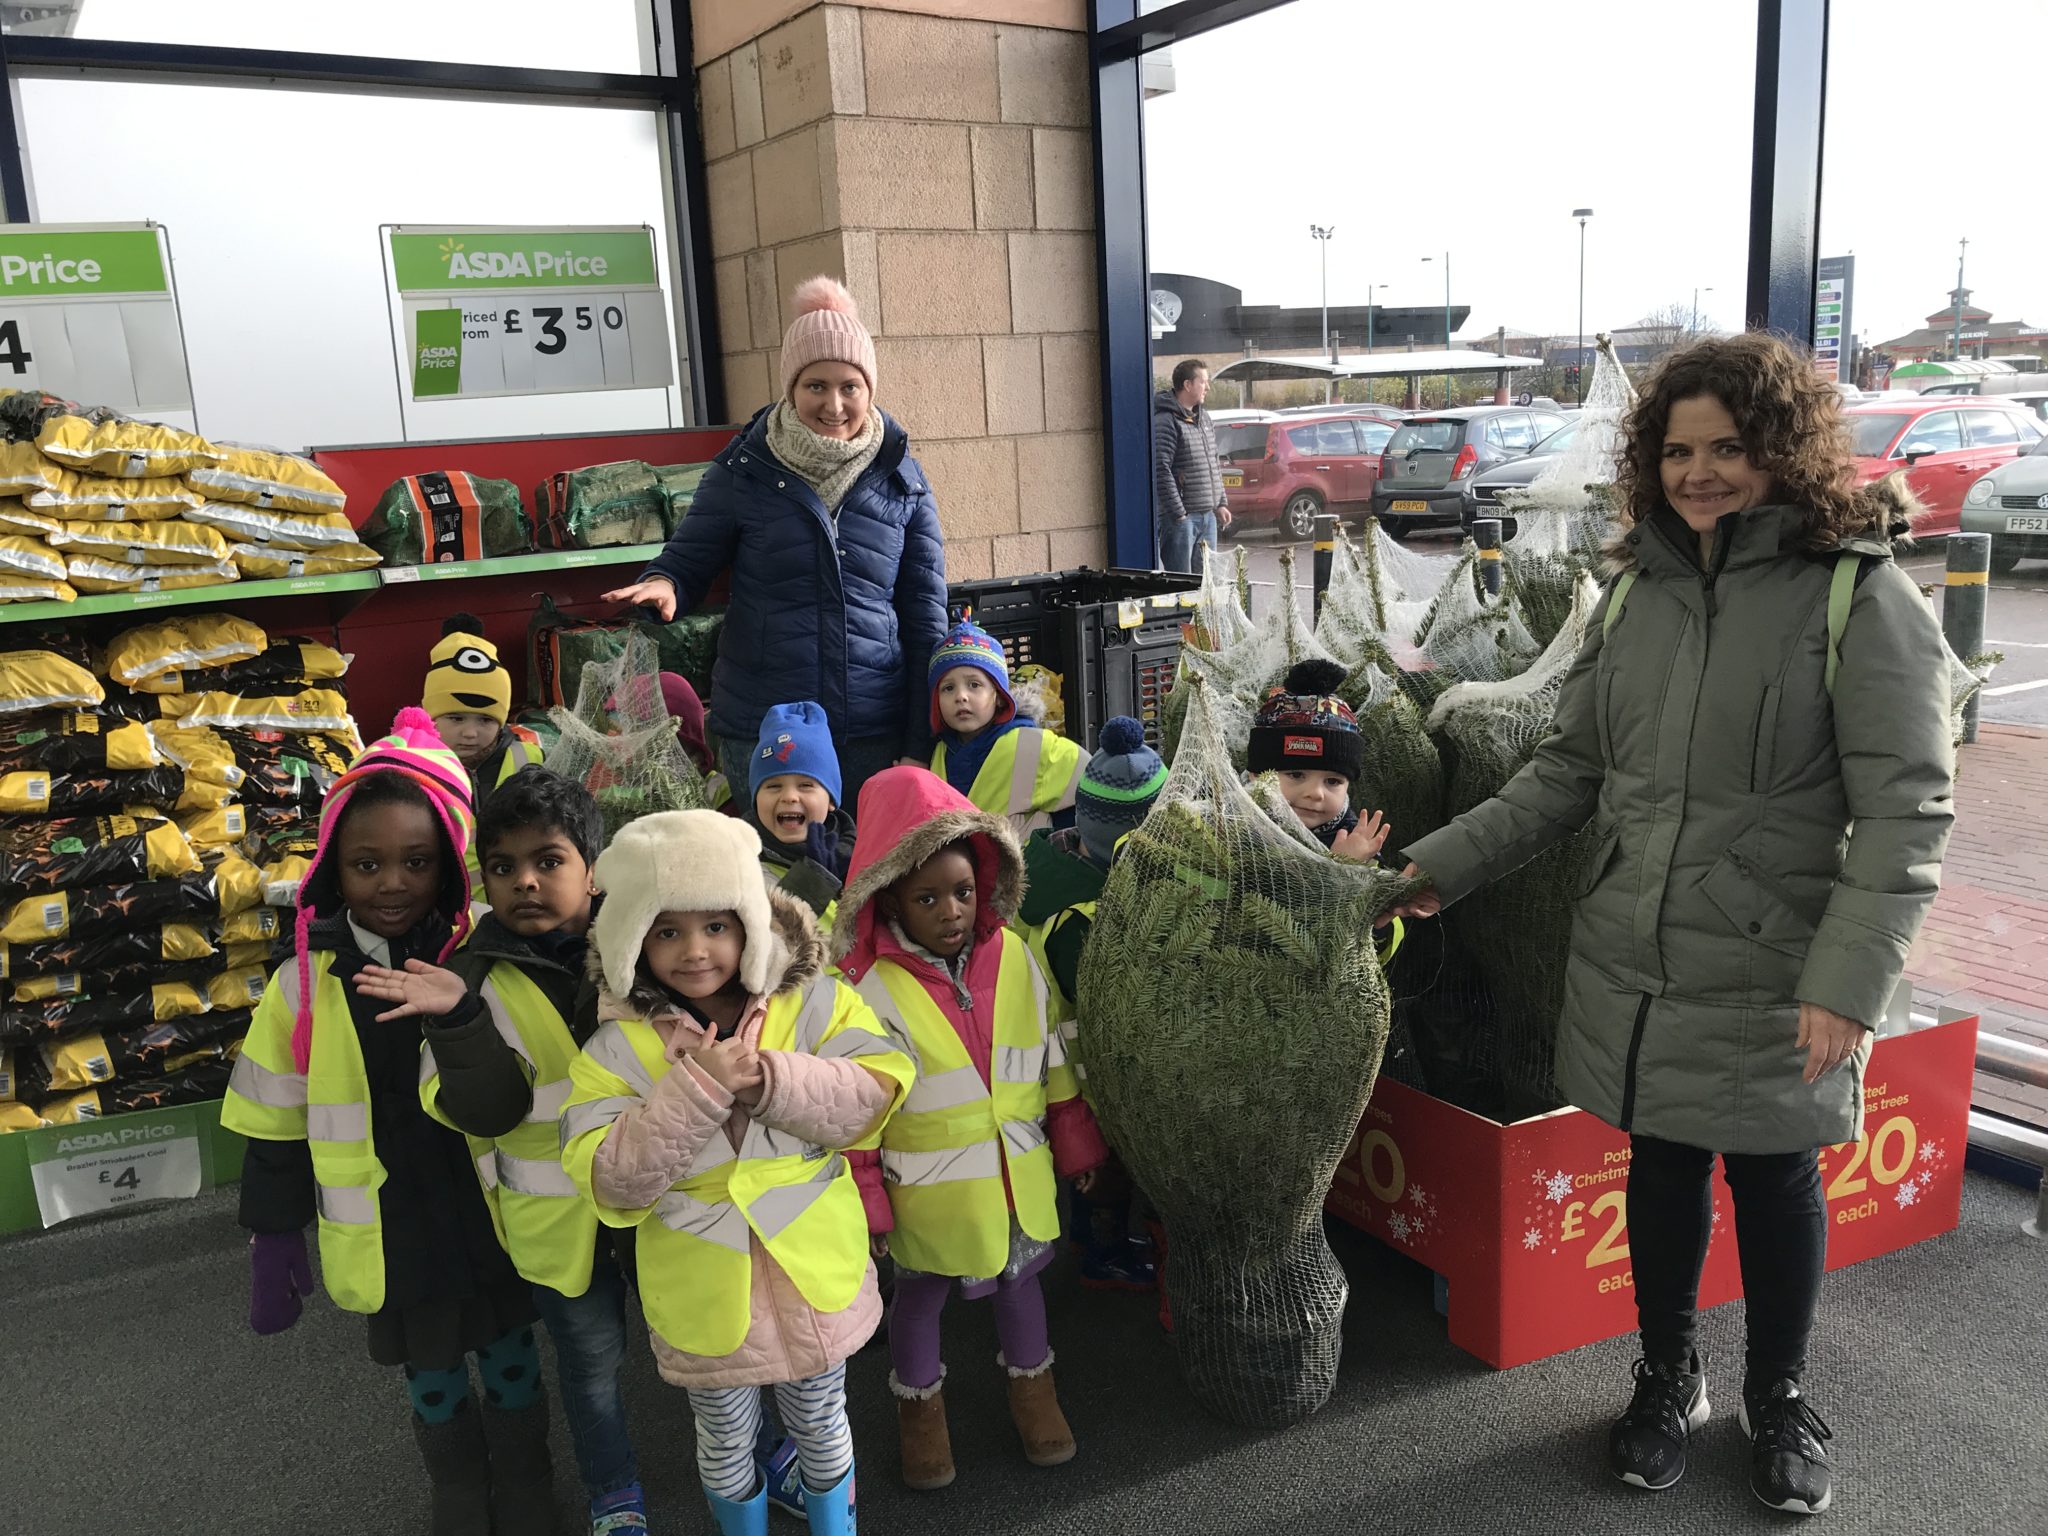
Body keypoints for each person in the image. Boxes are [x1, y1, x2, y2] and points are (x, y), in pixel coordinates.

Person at [1393, 332, 1956, 1517]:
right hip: (1634, 958)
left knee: (1771, 1177)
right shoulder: (1636, 595)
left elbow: (1906, 814)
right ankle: (1665, 1377)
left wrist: (1846, 984)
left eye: (1728, 449)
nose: (1699, 473)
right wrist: (1436, 868)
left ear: (1781, 452)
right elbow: (1567, 772)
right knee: (1658, 1165)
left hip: (1775, 967)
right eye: (1677, 450)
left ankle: (1779, 1392)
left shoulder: (1858, 596)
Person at [222, 710, 549, 1536]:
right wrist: (274, 1234)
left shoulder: (485, 960)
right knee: (429, 1366)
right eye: (366, 864)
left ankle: (526, 1474)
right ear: (335, 866)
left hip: (485, 1211)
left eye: (417, 862)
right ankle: (457, 1486)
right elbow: (274, 1116)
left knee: (511, 1355)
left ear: (450, 866)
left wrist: (465, 1011)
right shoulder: (303, 986)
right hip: (389, 1220)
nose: (392, 883)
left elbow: (512, 1097)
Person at [559, 810, 914, 1536]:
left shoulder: (814, 1001)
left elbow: (875, 1094)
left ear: (750, 923)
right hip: (703, 1293)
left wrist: (770, 1081)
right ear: (633, 938)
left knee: (822, 1424)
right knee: (724, 1440)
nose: (695, 951)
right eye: (667, 931)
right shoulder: (612, 1049)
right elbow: (609, 1179)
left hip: (815, 1274)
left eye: (716, 926)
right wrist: (699, 1090)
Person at [351, 767, 646, 1536]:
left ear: (593, 865)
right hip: (560, 1228)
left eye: (548, 860)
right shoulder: (466, 978)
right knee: (592, 1372)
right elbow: (488, 1107)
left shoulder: (649, 947)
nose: (524, 881)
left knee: (718, 1343)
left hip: (665, 1207)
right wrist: (458, 1023)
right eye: (503, 866)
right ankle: (613, 1493)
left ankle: (757, 1451)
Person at [832, 766, 1109, 1492]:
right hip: (927, 1195)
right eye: (926, 898)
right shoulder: (867, 990)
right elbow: (855, 1109)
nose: (951, 910)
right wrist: (867, 1201)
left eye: (961, 891)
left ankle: (1034, 1392)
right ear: (887, 896)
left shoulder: (1014, 956)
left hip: (1017, 1177)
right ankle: (920, 1413)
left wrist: (1074, 1137)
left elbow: (1051, 1053)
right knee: (918, 1300)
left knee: (1024, 1287)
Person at [601, 276, 949, 809]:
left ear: (868, 390)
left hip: (872, 727)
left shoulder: (903, 480)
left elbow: (925, 620)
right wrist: (665, 583)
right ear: (791, 388)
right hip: (766, 727)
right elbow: (690, 557)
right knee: (777, 881)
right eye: (816, 386)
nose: (834, 405)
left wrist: (917, 744)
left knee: (869, 877)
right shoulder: (745, 468)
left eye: (849, 387)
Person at [1015, 716, 1168, 1293]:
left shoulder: (1046, 869)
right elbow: (1107, 995)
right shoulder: (1083, 916)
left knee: (1088, 1159)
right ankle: (1102, 1251)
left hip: (1051, 1057)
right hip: (1085, 1064)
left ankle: (1090, 1235)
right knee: (1102, 1165)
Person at [927, 619, 1084, 840]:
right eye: (948, 688)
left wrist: (1056, 845)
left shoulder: (1034, 745)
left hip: (1027, 867)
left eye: (974, 685)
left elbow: (1091, 781)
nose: (960, 696)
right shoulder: (939, 754)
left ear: (1000, 697)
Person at [425, 613, 542, 896]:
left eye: (485, 720)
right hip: (447, 916)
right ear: (431, 716)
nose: (470, 733)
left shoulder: (530, 759)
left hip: (518, 904)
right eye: (455, 718)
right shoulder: (417, 768)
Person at [746, 701, 857, 932]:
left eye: (806, 785)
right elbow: (774, 939)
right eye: (773, 786)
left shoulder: (859, 856)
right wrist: (814, 880)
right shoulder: (742, 862)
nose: (789, 796)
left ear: (831, 801)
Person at [1152, 358, 1232, 573]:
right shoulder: (1166, 421)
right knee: (1181, 587)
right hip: (1182, 520)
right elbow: (1161, 469)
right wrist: (1179, 514)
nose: (1207, 387)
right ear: (1187, 385)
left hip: (1208, 516)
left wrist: (1221, 503)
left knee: (1207, 586)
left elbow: (1213, 462)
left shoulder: (1204, 418)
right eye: (1203, 382)